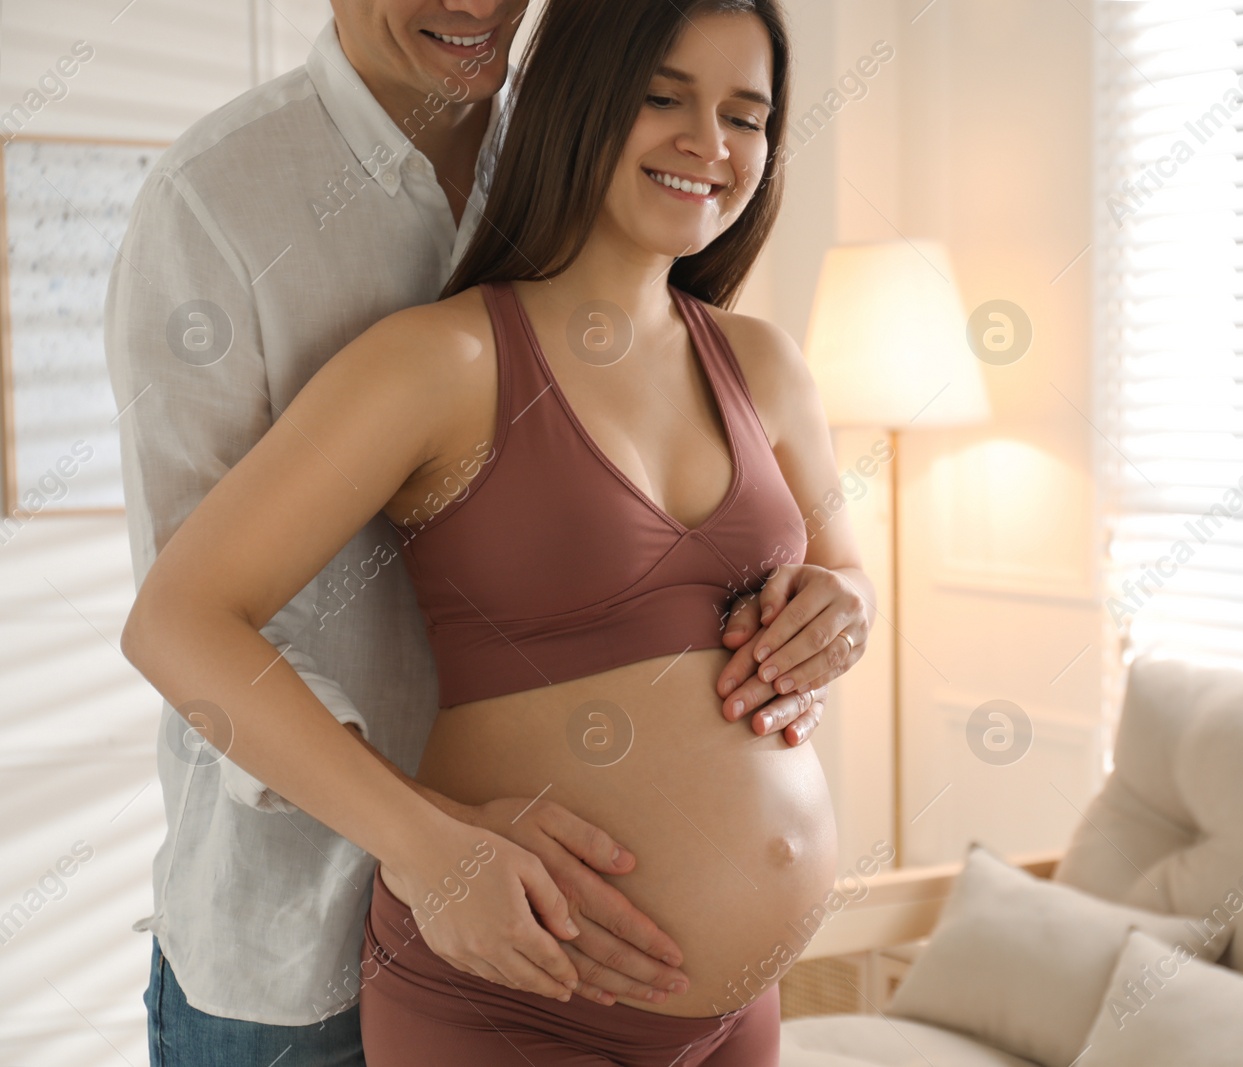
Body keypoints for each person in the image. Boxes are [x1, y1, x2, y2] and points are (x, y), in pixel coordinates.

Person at [106, 1, 841, 1063]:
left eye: (746, 116)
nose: (470, 3)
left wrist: (837, 608)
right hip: (310, 935)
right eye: (667, 99)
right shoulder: (219, 203)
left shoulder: (579, 179)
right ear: (605, 102)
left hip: (700, 996)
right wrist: (428, 840)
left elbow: (773, 567)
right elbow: (182, 617)